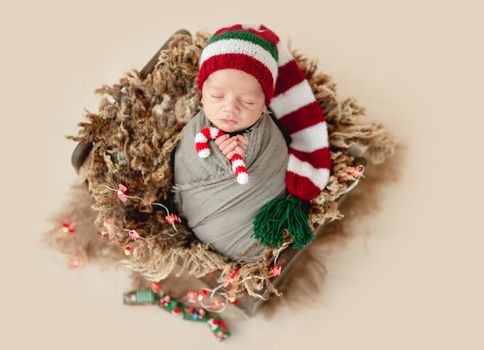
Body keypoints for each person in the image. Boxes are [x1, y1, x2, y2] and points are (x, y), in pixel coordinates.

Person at [172, 23, 332, 261]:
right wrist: (219, 157)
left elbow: (275, 164)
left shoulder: (270, 137)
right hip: (189, 221)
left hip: (251, 240)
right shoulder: (194, 129)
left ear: (265, 104)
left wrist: (246, 155)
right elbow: (186, 161)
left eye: (247, 101)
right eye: (217, 96)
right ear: (202, 93)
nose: (230, 108)